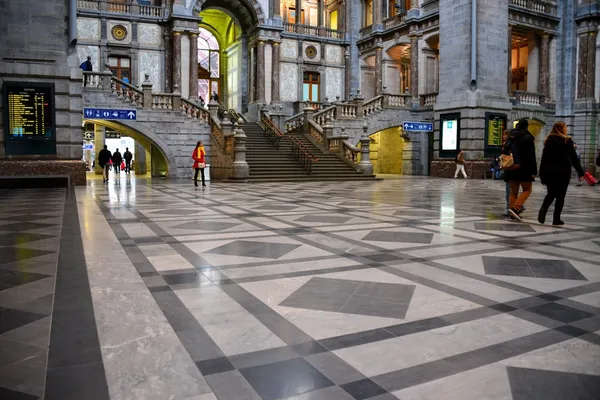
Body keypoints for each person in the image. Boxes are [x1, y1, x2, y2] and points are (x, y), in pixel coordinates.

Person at [538, 122, 584, 226]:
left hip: (549, 171)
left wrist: (541, 173)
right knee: (561, 195)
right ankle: (556, 219)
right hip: (563, 171)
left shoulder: (548, 140)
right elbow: (573, 158)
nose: (566, 128)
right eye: (565, 127)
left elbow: (544, 159)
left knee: (551, 193)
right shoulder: (566, 140)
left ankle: (544, 208)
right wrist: (580, 171)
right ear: (561, 128)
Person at [505, 119, 537, 221]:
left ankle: (511, 212)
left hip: (512, 166)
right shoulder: (528, 137)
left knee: (513, 192)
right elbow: (532, 156)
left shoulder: (511, 135)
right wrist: (534, 171)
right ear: (526, 126)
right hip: (525, 168)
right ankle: (515, 208)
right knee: (527, 190)